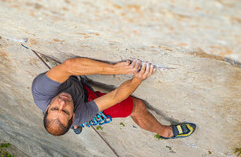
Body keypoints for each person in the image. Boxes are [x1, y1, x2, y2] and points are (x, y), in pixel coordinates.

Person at [32, 58, 196, 137]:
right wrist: (137, 79)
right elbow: (115, 97)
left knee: (67, 74)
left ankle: (71, 126)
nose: (62, 102)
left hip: (73, 86)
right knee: (137, 107)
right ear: (72, 115)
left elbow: (69, 66)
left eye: (55, 108)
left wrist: (114, 69)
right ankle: (166, 132)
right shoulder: (80, 115)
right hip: (83, 101)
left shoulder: (42, 91)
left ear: (47, 108)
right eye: (65, 111)